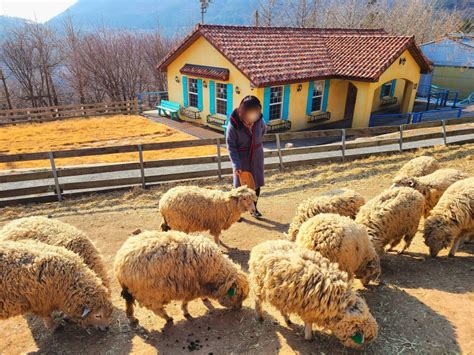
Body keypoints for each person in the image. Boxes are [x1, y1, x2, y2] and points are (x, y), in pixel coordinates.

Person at [226, 95, 266, 218]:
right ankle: (236, 213)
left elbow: (263, 131)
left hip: (257, 157)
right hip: (241, 159)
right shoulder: (233, 125)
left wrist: (256, 144)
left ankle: (254, 209)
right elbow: (231, 146)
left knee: (256, 184)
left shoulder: (259, 121)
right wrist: (236, 164)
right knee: (239, 188)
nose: (253, 117)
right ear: (243, 112)